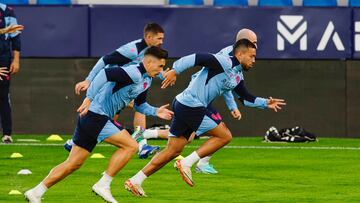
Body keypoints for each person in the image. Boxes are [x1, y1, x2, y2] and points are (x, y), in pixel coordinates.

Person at [125, 39, 286, 197]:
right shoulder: (224, 61)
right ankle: (186, 163)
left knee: (172, 151)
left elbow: (245, 98)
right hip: (190, 104)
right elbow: (196, 57)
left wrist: (266, 103)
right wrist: (175, 70)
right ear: (240, 54)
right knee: (224, 136)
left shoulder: (237, 74)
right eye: (251, 56)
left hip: (185, 104)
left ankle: (135, 180)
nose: (254, 60)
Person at [24, 47, 173, 203]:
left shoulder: (146, 80)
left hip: (92, 118)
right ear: (149, 61)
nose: (162, 70)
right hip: (96, 116)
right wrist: (89, 98)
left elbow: (139, 105)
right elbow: (105, 74)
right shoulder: (134, 72)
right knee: (131, 146)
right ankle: (103, 184)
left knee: (73, 164)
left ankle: (35, 192)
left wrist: (156, 111)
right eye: (160, 66)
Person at [64, 22, 166, 157]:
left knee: (111, 116)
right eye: (159, 38)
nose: (161, 42)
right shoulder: (132, 50)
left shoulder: (151, 55)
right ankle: (142, 145)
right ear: (148, 37)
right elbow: (105, 60)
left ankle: (73, 142)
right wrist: (89, 80)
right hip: (112, 85)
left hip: (128, 86)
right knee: (132, 109)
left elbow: (152, 70)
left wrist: (164, 75)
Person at [0, 3, 21, 144]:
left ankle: (7, 133)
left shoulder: (7, 11)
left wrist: (16, 60)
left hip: (3, 58)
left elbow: (15, 37)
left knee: (3, 95)